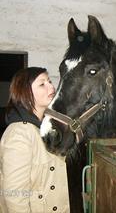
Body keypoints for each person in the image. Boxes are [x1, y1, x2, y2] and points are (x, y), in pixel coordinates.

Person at [0, 67, 70, 213]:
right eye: (42, 84)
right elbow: (15, 196)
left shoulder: (44, 128)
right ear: (25, 92)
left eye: (50, 81)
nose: (51, 86)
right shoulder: (20, 134)